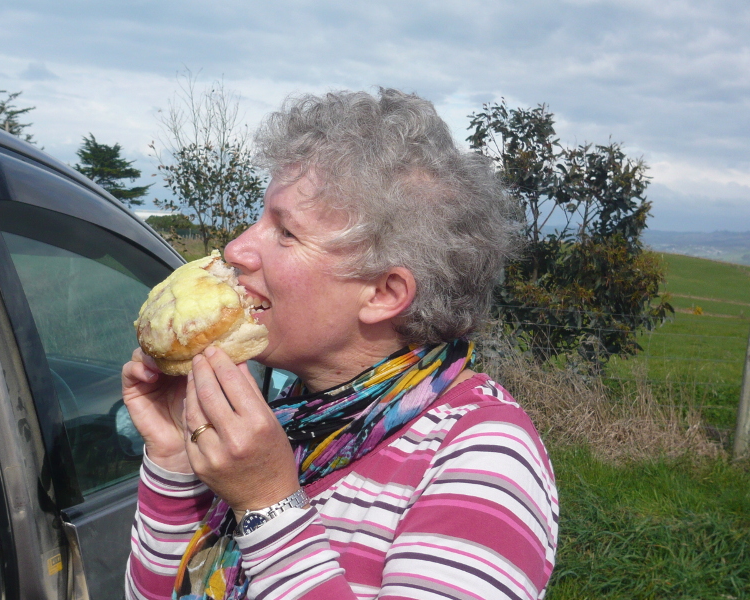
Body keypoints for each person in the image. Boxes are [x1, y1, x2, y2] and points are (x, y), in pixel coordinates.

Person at [123, 88, 559, 600]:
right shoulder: (287, 419)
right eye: (261, 218)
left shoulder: (483, 459)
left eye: (284, 232)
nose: (238, 248)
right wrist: (177, 460)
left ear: (382, 293)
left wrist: (268, 506)